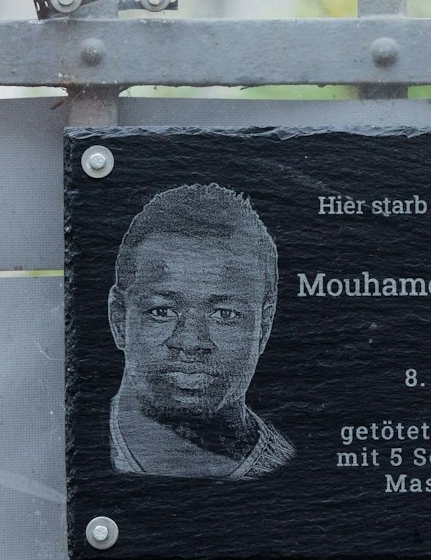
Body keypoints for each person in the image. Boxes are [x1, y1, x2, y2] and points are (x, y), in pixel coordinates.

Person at [107, 182, 294, 479]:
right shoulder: (79, 442)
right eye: (162, 311)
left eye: (225, 314)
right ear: (119, 320)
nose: (191, 341)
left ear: (265, 326)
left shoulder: (292, 469)